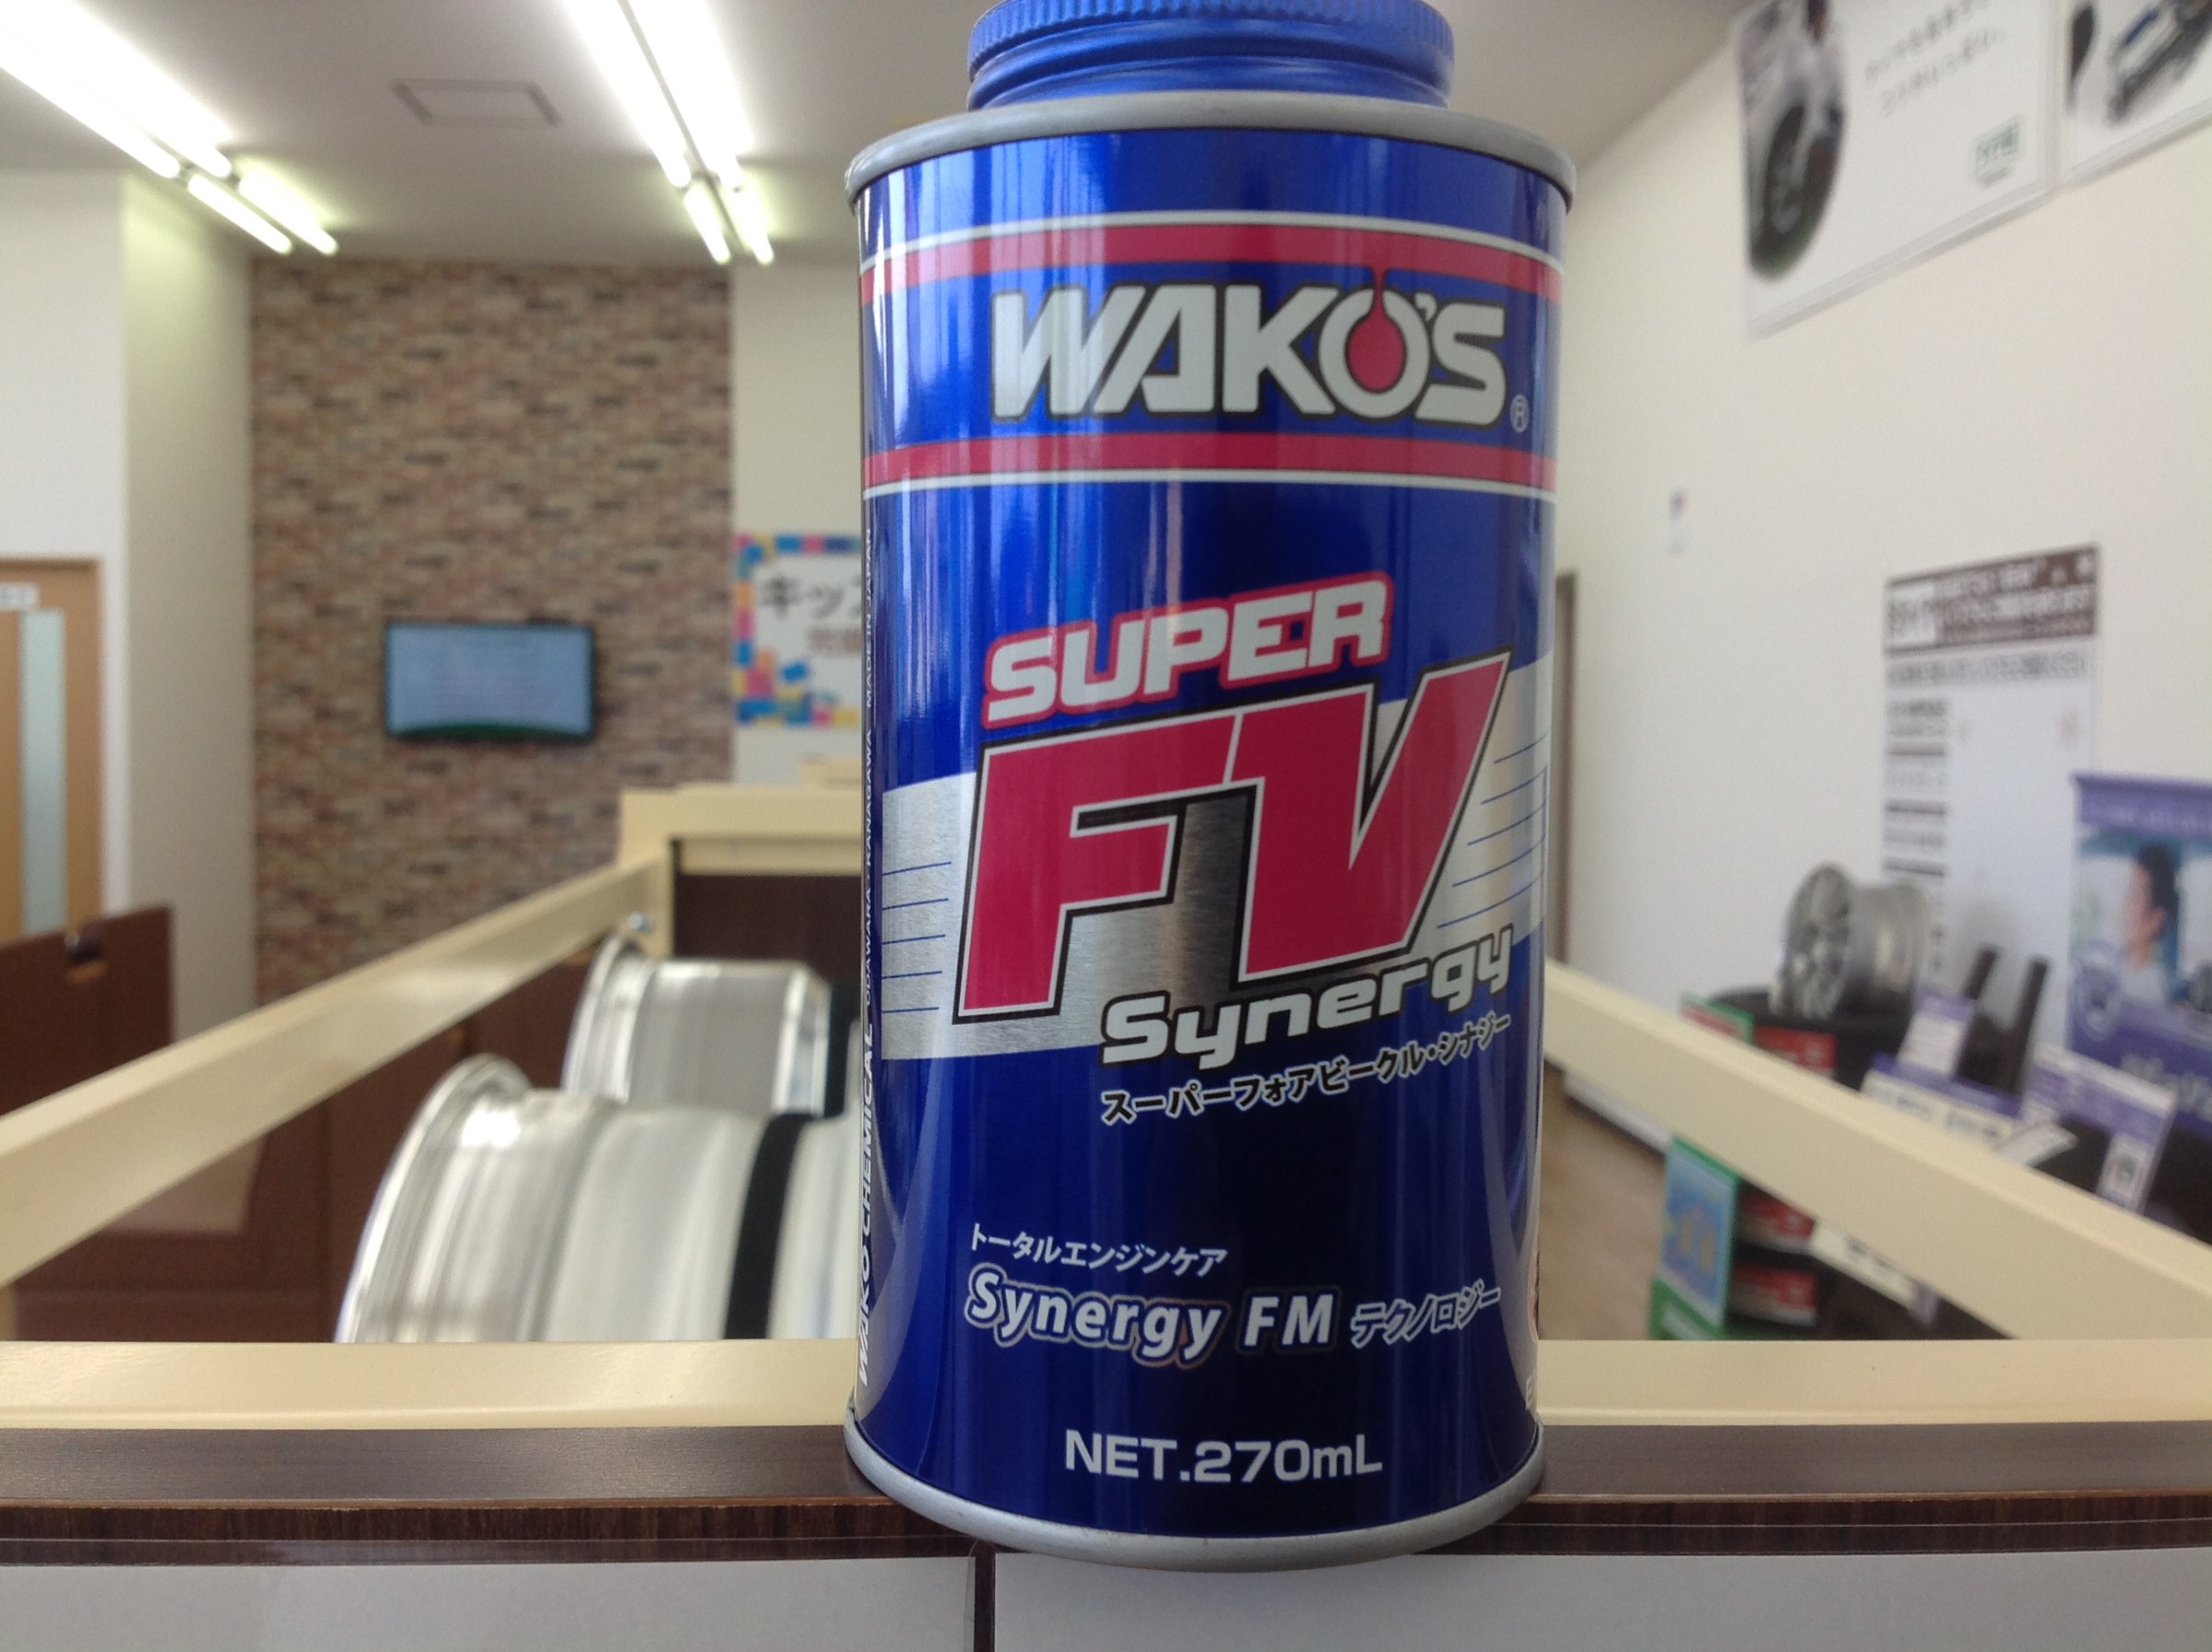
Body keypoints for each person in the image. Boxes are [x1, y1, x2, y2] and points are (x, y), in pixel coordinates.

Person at [2118, 841, 2182, 1004]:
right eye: (2128, 890)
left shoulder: (2151, 987)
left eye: (2136, 892)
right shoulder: (2116, 965)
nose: (2127, 903)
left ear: (2157, 919)